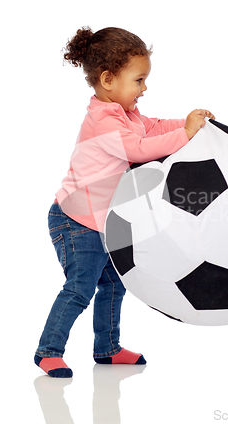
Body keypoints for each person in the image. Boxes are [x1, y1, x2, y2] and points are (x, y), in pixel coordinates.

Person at [34, 26, 214, 377]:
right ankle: (48, 350)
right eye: (139, 80)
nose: (144, 89)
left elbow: (154, 126)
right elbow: (141, 150)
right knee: (80, 287)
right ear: (108, 79)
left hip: (101, 222)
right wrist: (186, 134)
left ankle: (107, 348)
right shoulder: (103, 121)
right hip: (74, 220)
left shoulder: (125, 114)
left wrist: (190, 123)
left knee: (115, 283)